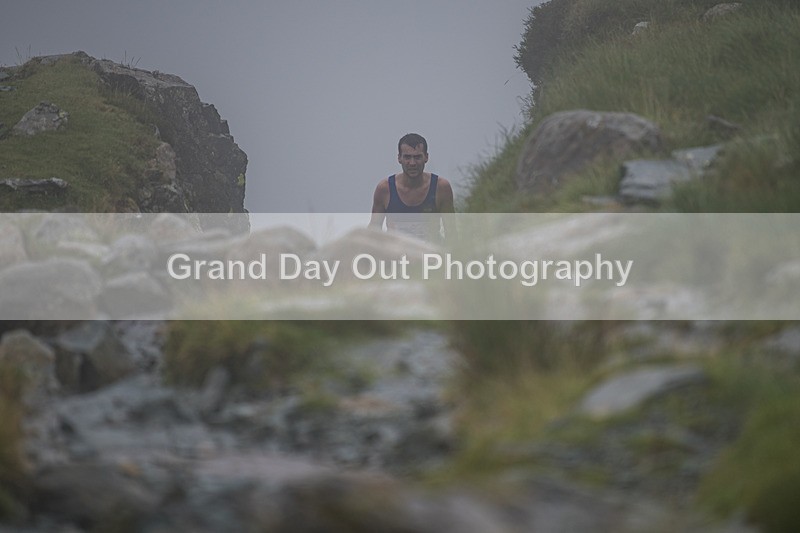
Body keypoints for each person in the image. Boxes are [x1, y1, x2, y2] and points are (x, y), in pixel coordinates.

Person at [369, 133, 455, 242]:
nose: (412, 163)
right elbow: (373, 232)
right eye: (407, 157)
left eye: (417, 157)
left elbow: (452, 232)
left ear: (426, 157)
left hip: (430, 255)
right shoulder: (385, 189)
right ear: (399, 158)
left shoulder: (441, 188)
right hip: (396, 256)